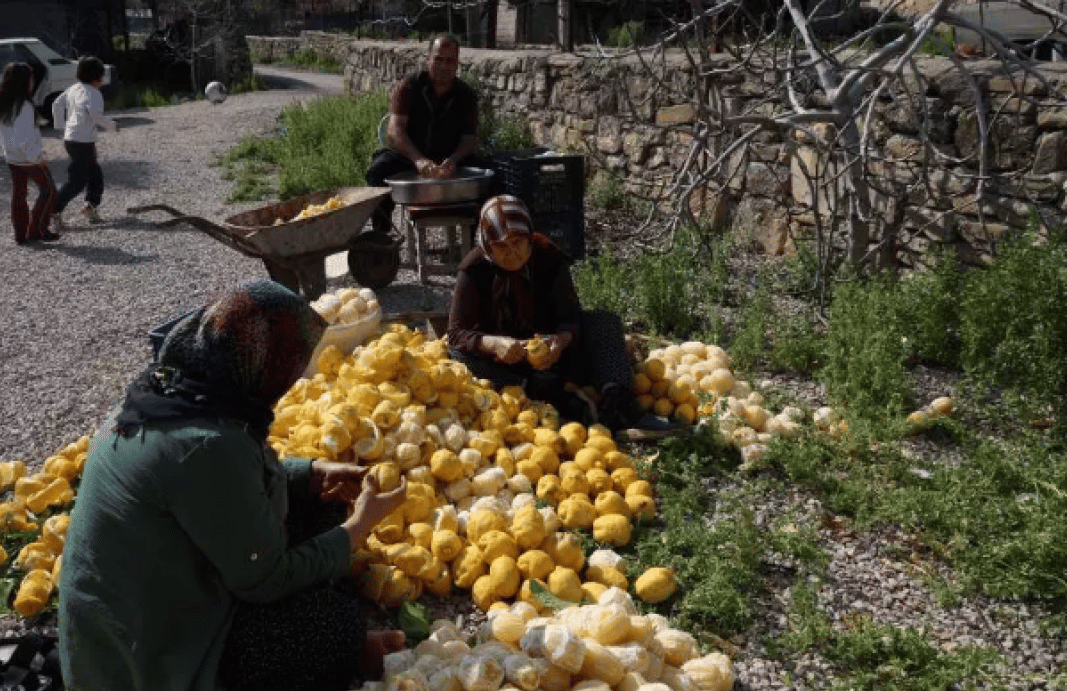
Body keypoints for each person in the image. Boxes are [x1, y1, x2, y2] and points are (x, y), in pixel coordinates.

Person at [58, 280, 409, 691]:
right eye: (293, 365)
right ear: (270, 367)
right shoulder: (209, 447)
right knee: (326, 624)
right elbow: (266, 581)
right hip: (146, 658)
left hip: (148, 602)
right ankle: (341, 656)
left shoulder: (174, 394)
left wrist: (309, 473)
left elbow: (224, 486)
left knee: (319, 507)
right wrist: (357, 530)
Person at [447, 195, 674, 432]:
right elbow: (455, 333)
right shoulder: (473, 269)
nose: (512, 253)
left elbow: (571, 315)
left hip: (555, 359)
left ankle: (618, 405)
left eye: (518, 243)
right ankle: (548, 400)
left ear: (529, 237)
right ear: (486, 246)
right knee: (456, 355)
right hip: (503, 366)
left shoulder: (548, 256)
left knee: (603, 322)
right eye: (501, 246)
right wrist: (492, 344)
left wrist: (561, 341)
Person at [364, 34, 481, 233]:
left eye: (450, 61)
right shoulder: (408, 87)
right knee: (377, 171)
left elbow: (470, 140)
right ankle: (381, 238)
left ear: (457, 64)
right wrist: (418, 159)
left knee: (490, 175)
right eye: (438, 59)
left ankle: (475, 245)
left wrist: (454, 159)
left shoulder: (466, 95)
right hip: (409, 157)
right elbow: (395, 130)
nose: (444, 66)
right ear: (428, 59)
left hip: (447, 161)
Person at [0, 62, 59, 244]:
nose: (33, 81)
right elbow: (23, 136)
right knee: (47, 191)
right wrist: (37, 157)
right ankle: (37, 230)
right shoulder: (24, 106)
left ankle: (20, 235)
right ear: (24, 81)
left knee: (19, 194)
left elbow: (2, 131)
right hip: (27, 157)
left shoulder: (1, 103)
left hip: (11, 156)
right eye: (31, 78)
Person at [52, 56, 117, 227]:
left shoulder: (73, 89)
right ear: (98, 76)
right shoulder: (94, 94)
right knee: (78, 181)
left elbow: (56, 104)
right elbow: (95, 116)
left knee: (95, 175)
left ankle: (90, 207)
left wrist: (61, 126)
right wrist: (112, 126)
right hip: (82, 142)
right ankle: (52, 209)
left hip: (73, 139)